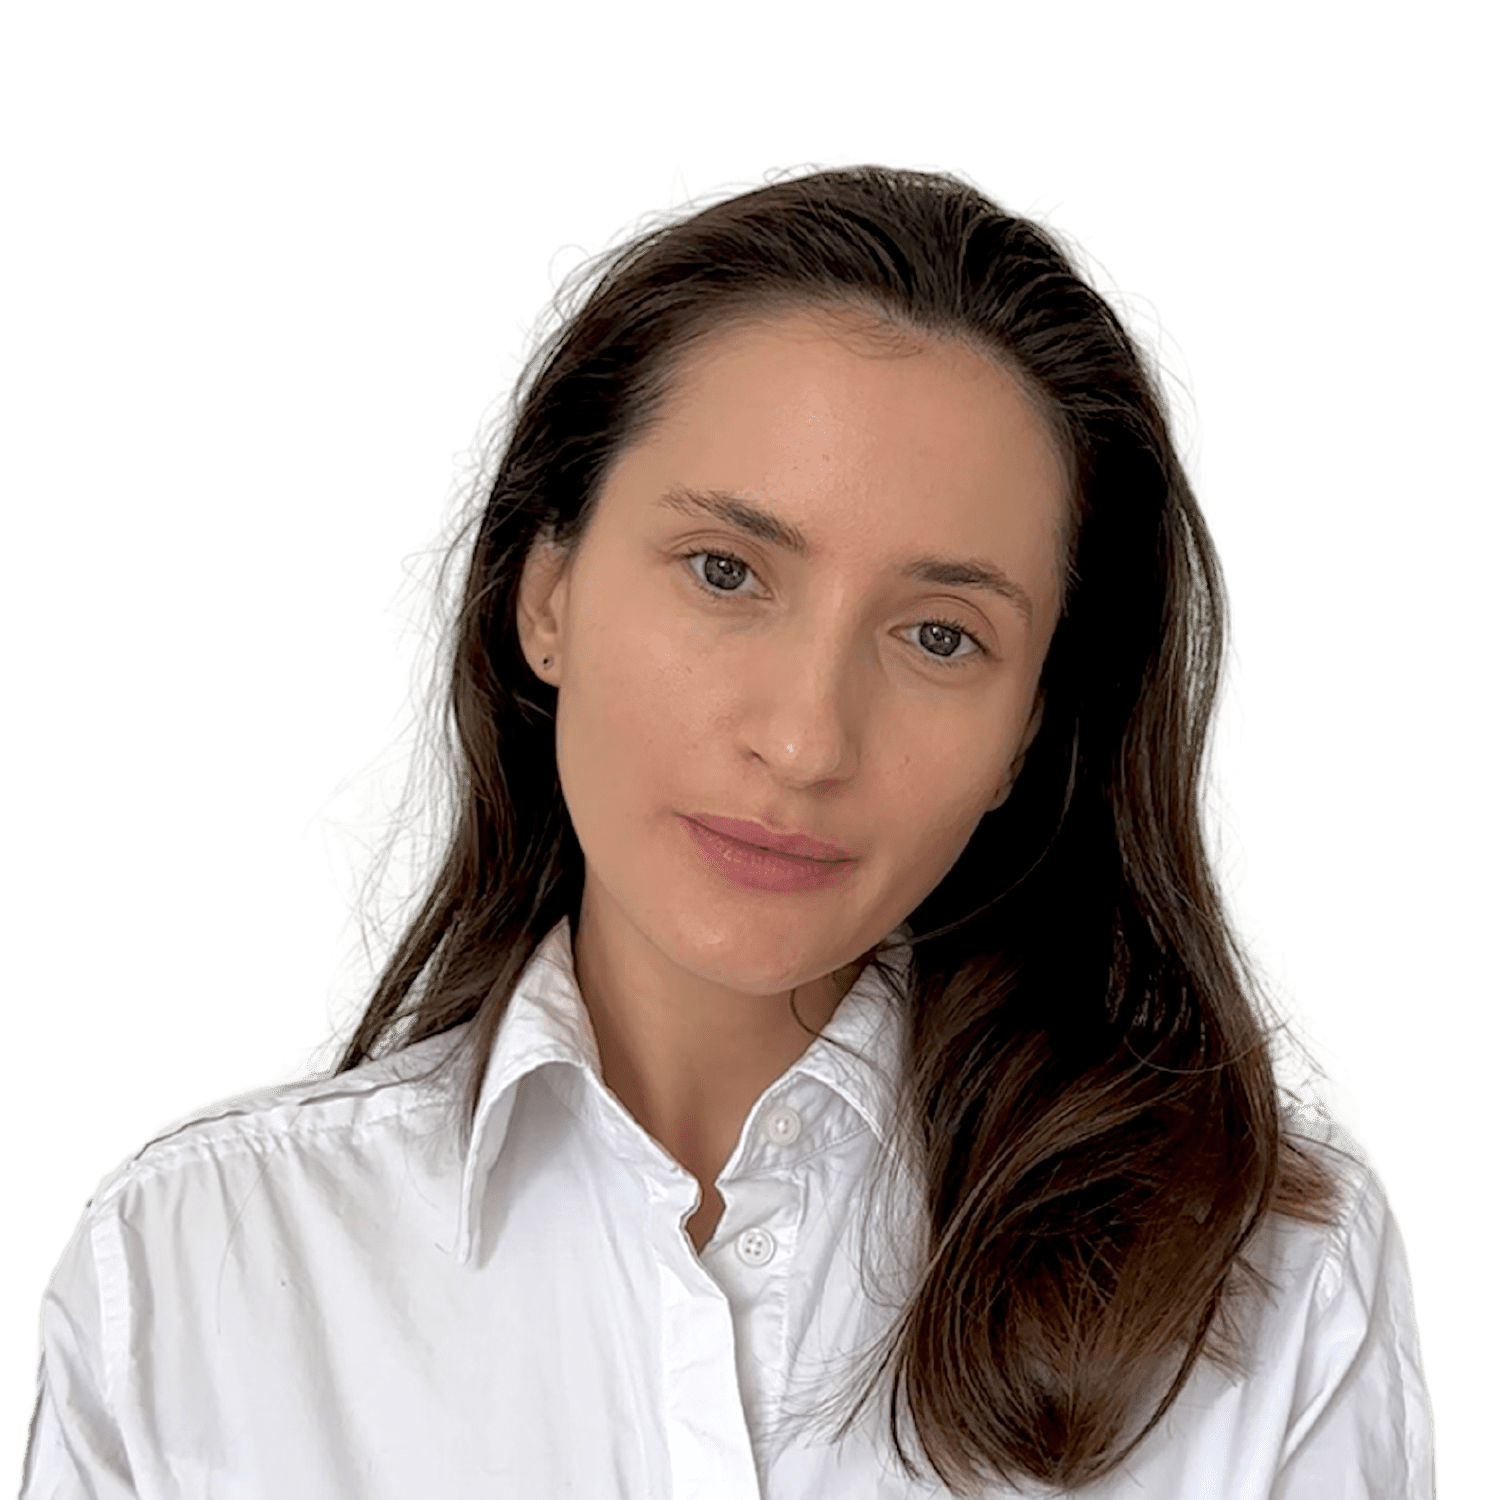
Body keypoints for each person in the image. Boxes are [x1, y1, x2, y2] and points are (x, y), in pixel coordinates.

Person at [16, 155, 1437, 1498]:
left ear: (1029, 731)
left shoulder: (1263, 1245)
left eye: (941, 636)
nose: (807, 740)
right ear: (546, 593)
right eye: (723, 570)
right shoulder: (197, 1267)